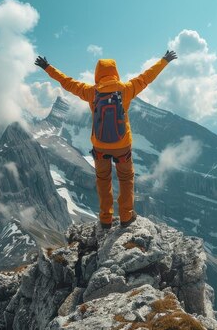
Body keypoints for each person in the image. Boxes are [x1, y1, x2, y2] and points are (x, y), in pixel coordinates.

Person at [35, 50, 177, 229]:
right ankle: (126, 216)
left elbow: (67, 82)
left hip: (100, 146)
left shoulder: (91, 92)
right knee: (126, 179)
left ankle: (106, 219)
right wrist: (164, 61)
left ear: (97, 74)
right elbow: (147, 77)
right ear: (115, 72)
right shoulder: (126, 89)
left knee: (103, 180)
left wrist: (47, 67)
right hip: (123, 145)